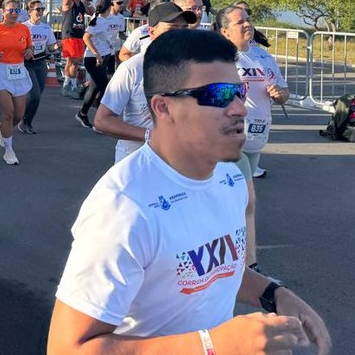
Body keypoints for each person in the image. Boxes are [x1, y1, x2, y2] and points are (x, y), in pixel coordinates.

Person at [47, 29, 330, 354]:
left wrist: (275, 295)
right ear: (163, 108)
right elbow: (67, 348)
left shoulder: (229, 177)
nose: (240, 108)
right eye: (220, 95)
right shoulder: (123, 208)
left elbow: (216, 270)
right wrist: (210, 346)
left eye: (239, 91)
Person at [215, 5, 289, 279]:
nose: (247, 25)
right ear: (224, 31)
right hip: (230, 137)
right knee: (248, 202)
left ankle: (223, 256)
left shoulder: (263, 55)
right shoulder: (220, 59)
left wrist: (279, 93)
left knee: (234, 201)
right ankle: (250, 269)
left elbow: (284, 93)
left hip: (257, 136)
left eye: (248, 20)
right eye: (239, 22)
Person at [94, 2, 196, 163]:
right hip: (136, 161)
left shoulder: (194, 69)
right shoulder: (132, 68)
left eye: (184, 29)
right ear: (152, 32)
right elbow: (102, 120)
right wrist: (151, 135)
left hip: (179, 163)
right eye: (171, 29)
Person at [0, 0, 33, 165]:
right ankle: (9, 150)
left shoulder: (24, 29)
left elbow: (29, 48)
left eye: (16, 11)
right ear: (3, 12)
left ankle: (1, 128)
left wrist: (29, 52)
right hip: (0, 71)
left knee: (18, 115)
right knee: (8, 112)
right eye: (10, 10)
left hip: (18, 71)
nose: (13, 13)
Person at [18, 0, 58, 135]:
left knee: (38, 96)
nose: (41, 12)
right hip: (27, 63)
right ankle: (21, 118)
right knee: (34, 94)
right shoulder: (23, 27)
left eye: (42, 9)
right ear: (30, 12)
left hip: (41, 63)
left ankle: (27, 122)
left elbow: (51, 47)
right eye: (38, 9)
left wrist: (57, 46)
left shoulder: (46, 27)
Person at [76, 0, 115, 130]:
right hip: (94, 59)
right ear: (109, 8)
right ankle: (101, 120)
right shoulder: (97, 21)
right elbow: (86, 37)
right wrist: (96, 53)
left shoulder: (102, 19)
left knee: (95, 88)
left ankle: (83, 113)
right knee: (104, 87)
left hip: (104, 57)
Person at [59, 0, 93, 99]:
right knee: (75, 61)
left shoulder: (82, 5)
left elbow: (92, 12)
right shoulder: (69, 4)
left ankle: (67, 84)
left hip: (79, 35)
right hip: (70, 34)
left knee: (72, 61)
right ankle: (72, 85)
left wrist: (88, 3)